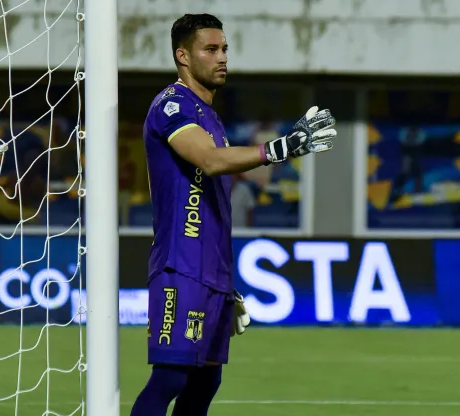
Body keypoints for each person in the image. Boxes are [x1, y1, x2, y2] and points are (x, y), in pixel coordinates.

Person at [130, 13, 338, 416]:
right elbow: (208, 161)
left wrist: (224, 281)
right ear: (183, 56)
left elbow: (215, 195)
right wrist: (279, 149)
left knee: (206, 381)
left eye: (224, 48)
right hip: (181, 265)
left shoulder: (211, 118)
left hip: (212, 271)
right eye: (210, 49)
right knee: (171, 377)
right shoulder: (171, 105)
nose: (222, 57)